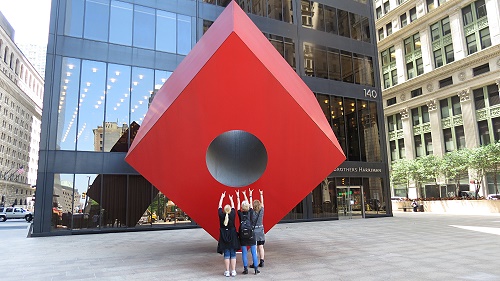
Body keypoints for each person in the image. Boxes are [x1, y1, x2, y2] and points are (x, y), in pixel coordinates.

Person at [236, 190, 260, 275]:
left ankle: (245, 269)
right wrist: (247, 195)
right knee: (254, 252)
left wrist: (238, 196)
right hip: (251, 235)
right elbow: (250, 204)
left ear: (242, 208)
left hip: (243, 236)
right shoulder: (251, 212)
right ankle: (256, 269)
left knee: (244, 253)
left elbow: (238, 207)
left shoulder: (240, 214)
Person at [217, 192, 240, 277]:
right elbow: (234, 207)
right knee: (233, 254)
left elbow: (219, 207)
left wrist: (222, 197)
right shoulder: (233, 215)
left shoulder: (221, 215)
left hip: (224, 237)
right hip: (233, 236)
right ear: (230, 210)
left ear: (224, 210)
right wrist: (231, 199)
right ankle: (233, 271)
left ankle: (227, 271)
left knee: (226, 254)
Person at [249, 189, 265, 268]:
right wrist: (261, 194)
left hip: (254, 231)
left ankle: (254, 262)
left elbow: (251, 206)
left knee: (254, 247)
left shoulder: (252, 212)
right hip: (261, 230)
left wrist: (250, 195)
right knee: (261, 246)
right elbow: (263, 204)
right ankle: (262, 261)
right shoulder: (261, 211)